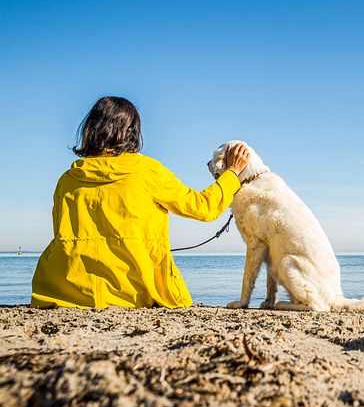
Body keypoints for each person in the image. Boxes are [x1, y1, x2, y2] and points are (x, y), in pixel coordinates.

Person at [31, 96, 250, 308]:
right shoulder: (147, 172)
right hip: (132, 292)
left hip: (63, 290)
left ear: (92, 129)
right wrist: (232, 173)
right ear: (130, 131)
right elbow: (204, 208)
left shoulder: (67, 180)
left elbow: (62, 234)